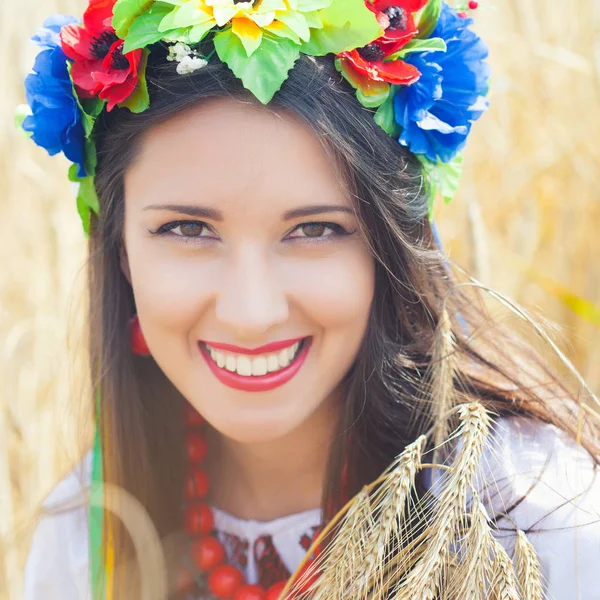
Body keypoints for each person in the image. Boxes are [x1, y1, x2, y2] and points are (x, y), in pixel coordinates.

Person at [18, 0, 600, 598]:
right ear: (120, 252)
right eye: (188, 230)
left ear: (387, 249)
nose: (251, 314)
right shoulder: (88, 535)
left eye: (315, 230)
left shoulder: (531, 514)